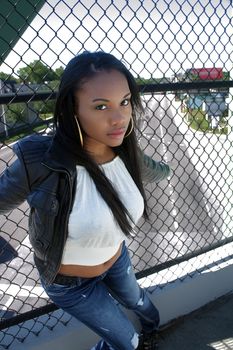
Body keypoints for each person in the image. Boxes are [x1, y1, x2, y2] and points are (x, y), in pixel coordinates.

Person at [0, 51, 171, 350]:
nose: (119, 118)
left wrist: (166, 170)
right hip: (68, 282)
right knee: (126, 344)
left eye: (125, 102)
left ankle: (154, 329)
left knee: (138, 300)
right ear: (73, 110)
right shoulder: (41, 162)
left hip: (117, 259)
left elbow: (157, 172)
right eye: (101, 106)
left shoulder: (126, 153)